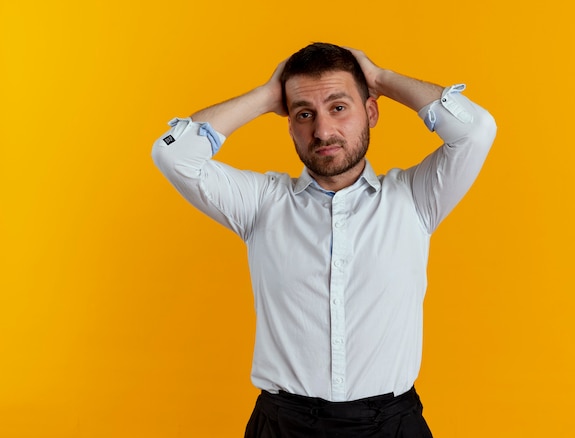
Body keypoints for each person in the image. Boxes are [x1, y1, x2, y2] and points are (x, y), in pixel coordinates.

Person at [152, 42, 496, 437]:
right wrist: (267, 95)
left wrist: (380, 78)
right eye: (304, 114)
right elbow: (172, 155)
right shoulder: (262, 203)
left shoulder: (415, 198)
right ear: (289, 123)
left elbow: (476, 130)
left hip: (391, 425)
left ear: (370, 112)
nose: (323, 130)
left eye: (338, 107)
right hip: (283, 426)